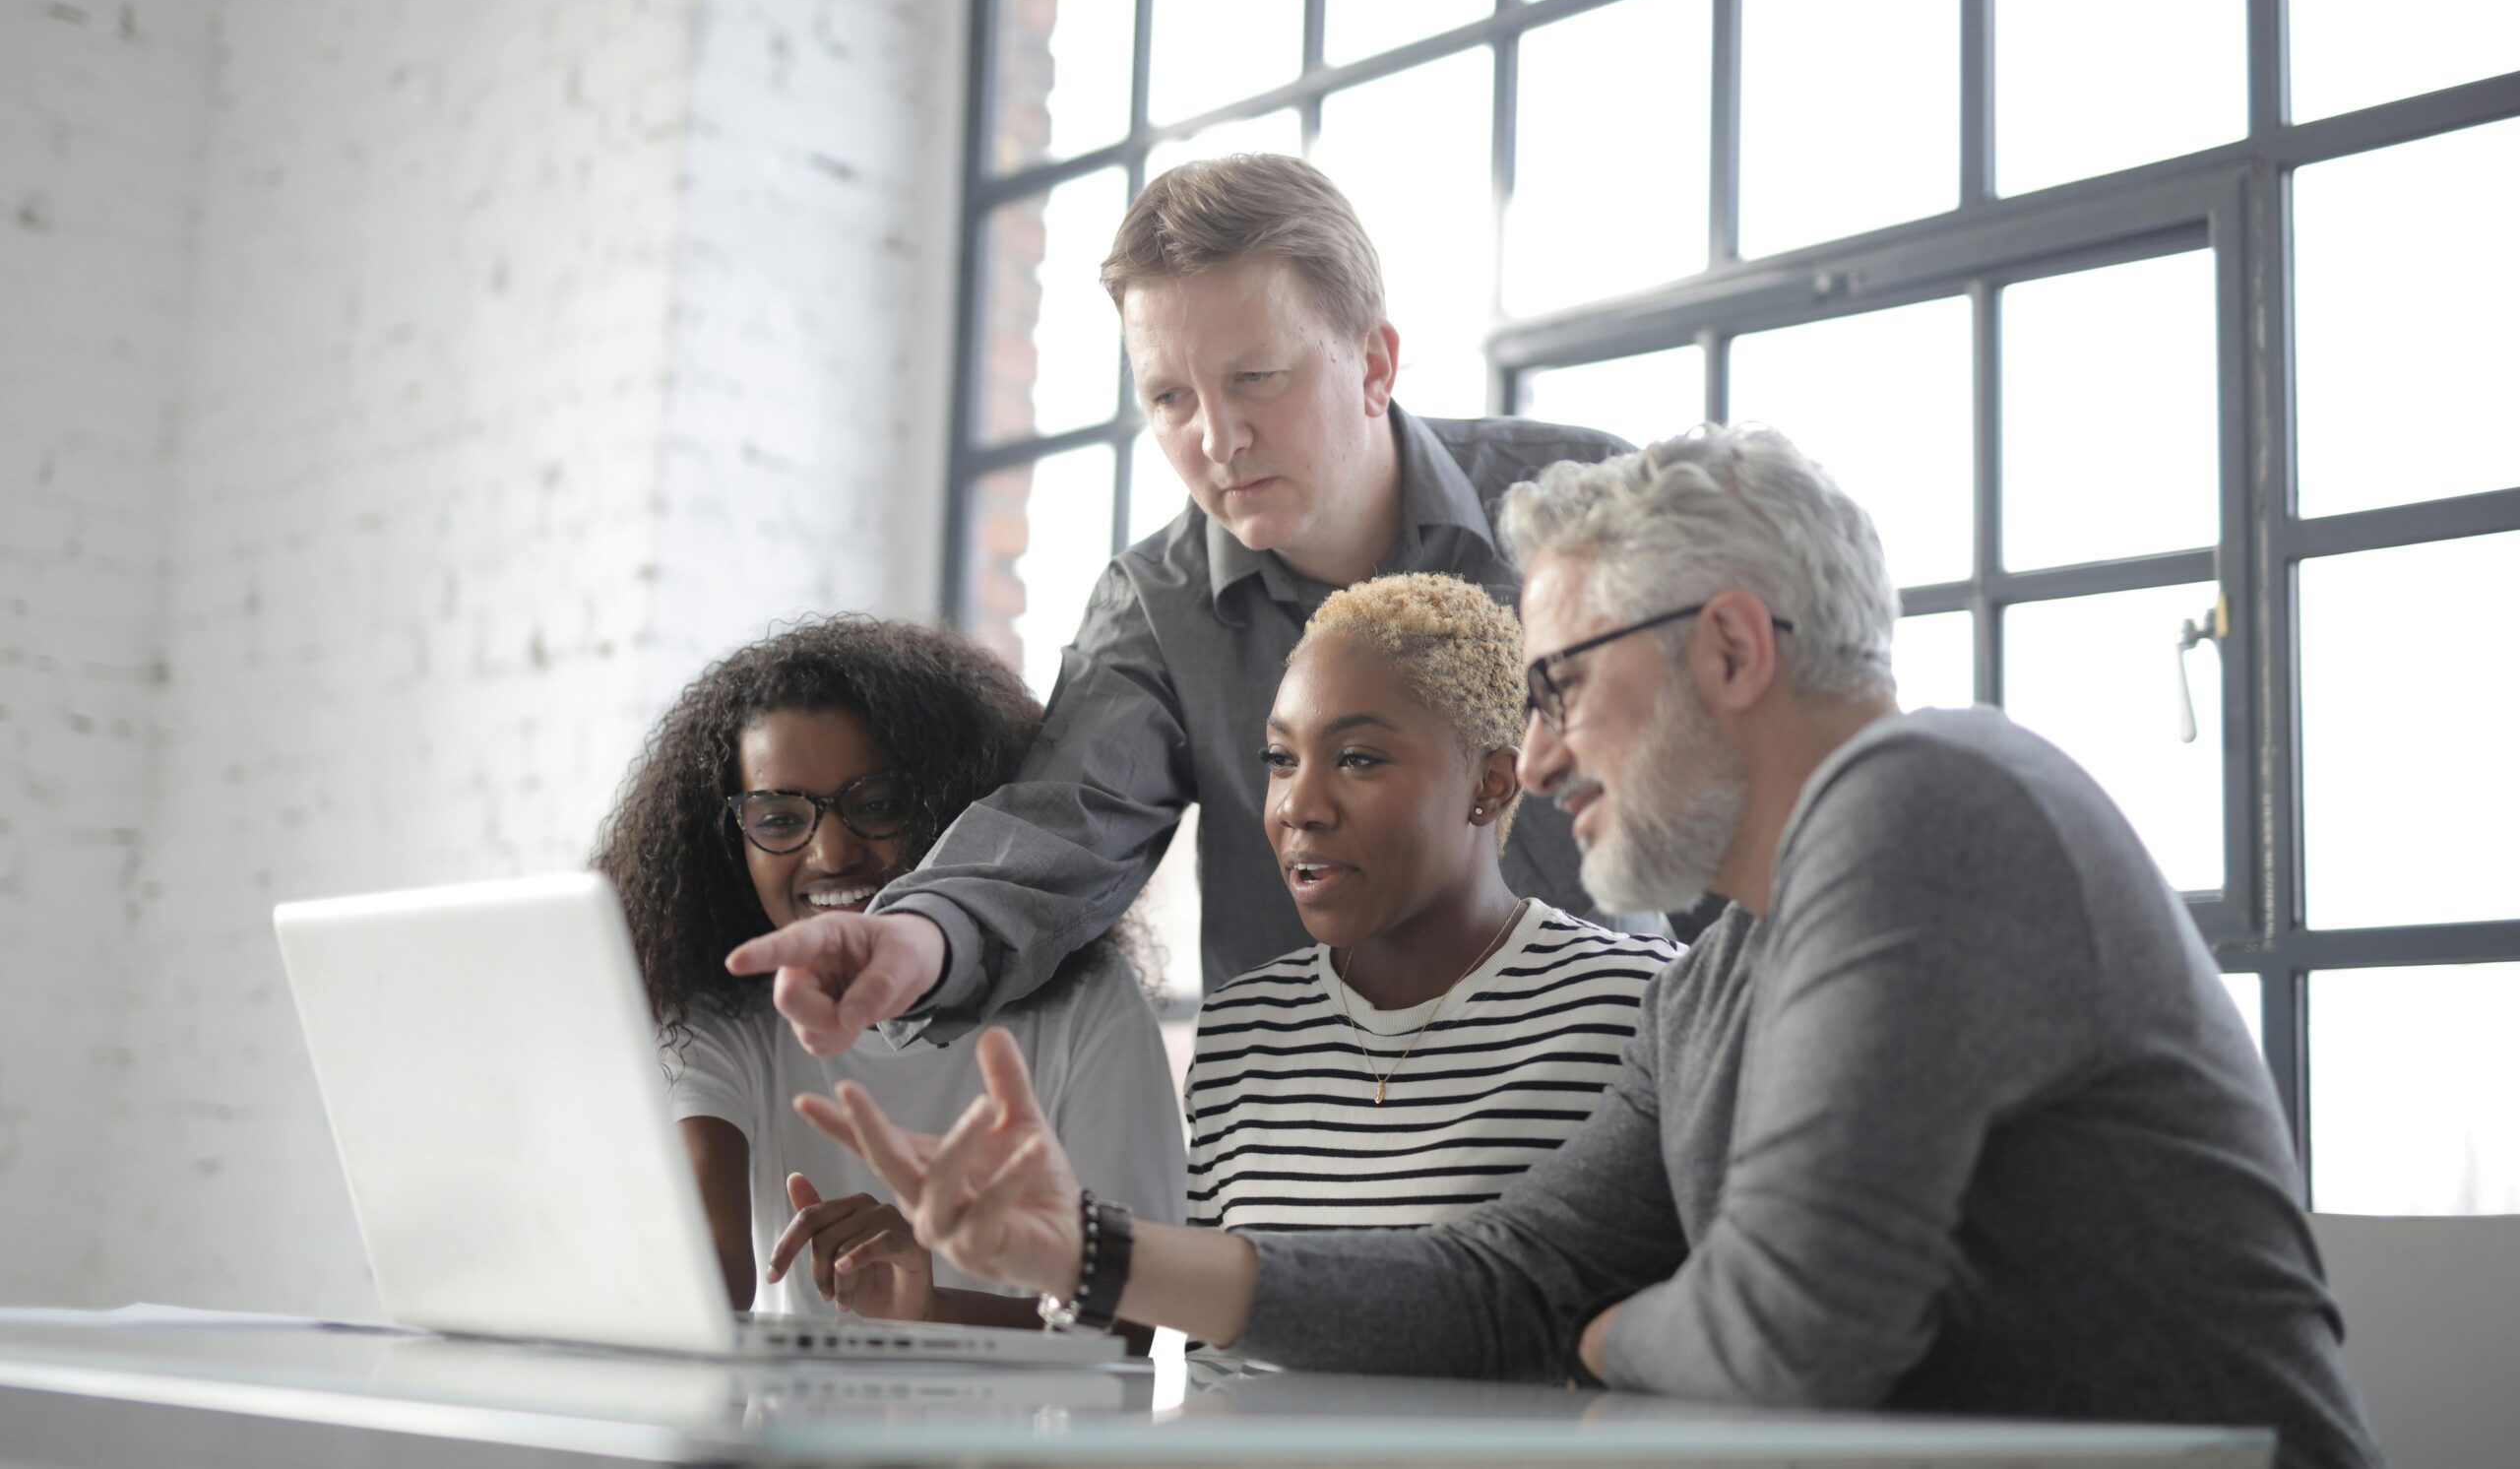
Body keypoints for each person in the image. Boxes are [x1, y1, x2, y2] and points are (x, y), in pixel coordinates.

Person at [790, 430, 2381, 1469]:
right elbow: (1507, 1284)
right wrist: (1088, 1250)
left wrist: (1608, 1331)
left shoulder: (1929, 803)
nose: (1535, 755)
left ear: (1736, 647)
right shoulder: (1720, 975)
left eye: (1558, 687)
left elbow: (1781, 1342)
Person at [727, 156, 1636, 1059]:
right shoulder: (1155, 607)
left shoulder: (1588, 501)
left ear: (1374, 362)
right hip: (1325, 1132)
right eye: (1170, 397)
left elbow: (1734, 771)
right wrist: (917, 935)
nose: (1218, 439)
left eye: (1256, 379)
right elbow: (1066, 819)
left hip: (1618, 1086)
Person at [590, 615, 1184, 1338]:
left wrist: (930, 1308)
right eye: (779, 819)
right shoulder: (724, 1009)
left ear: (955, 805)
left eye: (877, 806)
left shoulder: (1089, 1005)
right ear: (731, 843)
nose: (831, 851)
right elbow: (706, 1270)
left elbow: (1130, 1321)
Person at [1188, 572, 1670, 1238]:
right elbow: (1217, 1342)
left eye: (1356, 758)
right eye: (1281, 757)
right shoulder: (1239, 1034)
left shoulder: (1640, 1006)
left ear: (1492, 782)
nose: (1298, 805)